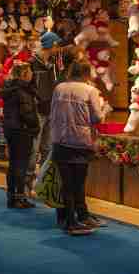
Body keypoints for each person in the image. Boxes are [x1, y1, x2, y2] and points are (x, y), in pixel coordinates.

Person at [49, 60, 107, 236]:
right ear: (86, 73)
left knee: (66, 183)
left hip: (60, 139)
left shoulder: (59, 88)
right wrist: (104, 110)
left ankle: (73, 217)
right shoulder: (90, 91)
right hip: (80, 141)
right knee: (78, 183)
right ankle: (73, 221)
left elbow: (52, 112)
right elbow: (97, 118)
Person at [27, 31, 64, 192]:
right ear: (52, 45)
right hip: (37, 110)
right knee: (34, 148)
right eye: (57, 45)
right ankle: (27, 180)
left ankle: (42, 182)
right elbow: (29, 87)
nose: (59, 48)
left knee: (47, 147)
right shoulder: (32, 63)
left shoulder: (54, 63)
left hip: (51, 109)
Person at [1, 63, 40, 209]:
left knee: (13, 164)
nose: (32, 74)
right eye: (30, 72)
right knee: (21, 165)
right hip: (22, 130)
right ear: (24, 74)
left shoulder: (10, 88)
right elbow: (27, 113)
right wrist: (35, 127)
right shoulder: (23, 90)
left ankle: (12, 196)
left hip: (11, 129)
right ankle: (19, 197)